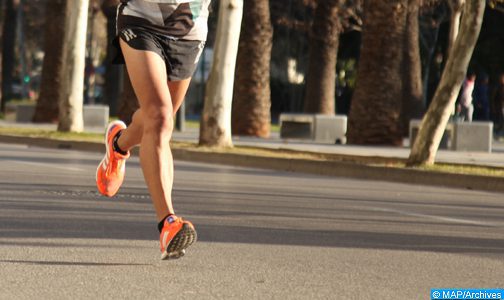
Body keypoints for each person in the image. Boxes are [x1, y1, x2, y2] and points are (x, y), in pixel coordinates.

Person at [96, 0, 211, 260]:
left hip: (190, 27)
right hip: (140, 20)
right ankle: (168, 223)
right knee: (159, 117)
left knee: (159, 119)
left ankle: (118, 144)